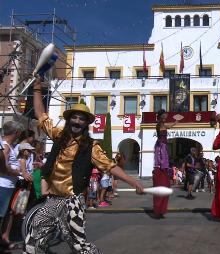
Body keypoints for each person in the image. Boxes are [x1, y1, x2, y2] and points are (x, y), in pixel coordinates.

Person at [24, 79, 144, 254]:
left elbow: (110, 166)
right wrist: (36, 89)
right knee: (33, 238)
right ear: (69, 119)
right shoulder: (58, 135)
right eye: (75, 117)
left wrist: (133, 181)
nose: (77, 121)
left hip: (72, 201)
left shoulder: (91, 146)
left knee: (79, 245)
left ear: (86, 124)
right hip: (53, 199)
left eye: (82, 119)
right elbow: (41, 115)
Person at [0, 121, 24, 250]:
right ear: (16, 133)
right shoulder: (6, 146)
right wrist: (15, 172)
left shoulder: (7, 145)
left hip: (8, 184)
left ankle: (4, 240)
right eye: (19, 133)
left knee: (6, 213)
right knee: (1, 214)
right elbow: (2, 167)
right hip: (4, 184)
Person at [153, 109, 178, 218]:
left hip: (163, 147)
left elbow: (168, 126)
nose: (166, 115)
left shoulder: (162, 124)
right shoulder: (159, 125)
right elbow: (165, 127)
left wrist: (175, 122)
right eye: (165, 114)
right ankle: (162, 166)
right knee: (162, 161)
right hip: (161, 147)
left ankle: (161, 209)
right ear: (161, 116)